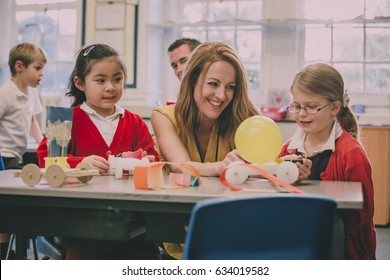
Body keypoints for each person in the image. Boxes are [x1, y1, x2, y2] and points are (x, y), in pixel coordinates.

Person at [152, 41, 311, 258]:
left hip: (233, 235)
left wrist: (287, 168)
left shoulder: (244, 116)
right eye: (213, 83)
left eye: (230, 87)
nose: (222, 95)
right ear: (192, 81)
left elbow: (261, 167)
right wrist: (223, 166)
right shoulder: (163, 117)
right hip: (178, 238)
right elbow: (181, 168)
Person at [37, 43, 160, 259]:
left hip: (129, 222)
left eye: (117, 79)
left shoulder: (135, 122)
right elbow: (45, 159)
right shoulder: (65, 120)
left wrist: (144, 161)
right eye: (101, 80)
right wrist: (80, 163)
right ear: (80, 83)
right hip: (82, 224)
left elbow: (152, 159)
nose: (111, 87)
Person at [279, 62, 376, 259]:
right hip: (297, 246)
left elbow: (361, 217)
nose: (301, 113)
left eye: (311, 107)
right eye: (296, 106)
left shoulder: (352, 154)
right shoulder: (288, 149)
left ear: (334, 108)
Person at [0, 42, 46, 259]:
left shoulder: (31, 93)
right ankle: (4, 254)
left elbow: (33, 122)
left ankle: (15, 251)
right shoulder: (5, 94)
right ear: (20, 66)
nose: (42, 74)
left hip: (16, 156)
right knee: (8, 211)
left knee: (22, 205)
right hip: (3, 157)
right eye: (37, 68)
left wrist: (43, 145)